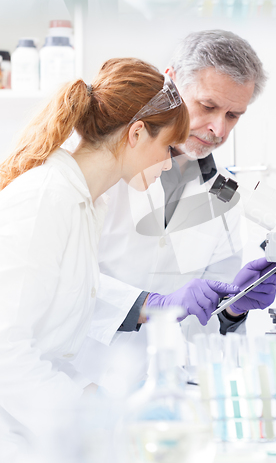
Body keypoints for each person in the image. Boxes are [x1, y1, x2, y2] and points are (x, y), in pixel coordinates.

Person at [0, 57, 241, 457]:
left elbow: (56, 329)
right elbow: (5, 351)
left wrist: (98, 396)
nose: (169, 163)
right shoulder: (47, 198)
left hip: (42, 426)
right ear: (136, 134)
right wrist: (88, 410)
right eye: (166, 147)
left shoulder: (83, 204)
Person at [71, 30, 276, 387]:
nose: (219, 128)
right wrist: (151, 303)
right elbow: (59, 282)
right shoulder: (103, 162)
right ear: (170, 81)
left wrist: (232, 309)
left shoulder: (225, 197)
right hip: (73, 380)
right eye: (208, 106)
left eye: (234, 115)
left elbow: (204, 329)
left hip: (158, 394)